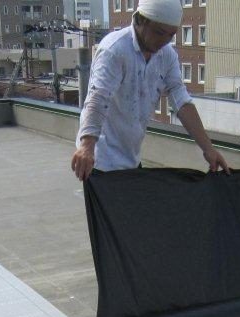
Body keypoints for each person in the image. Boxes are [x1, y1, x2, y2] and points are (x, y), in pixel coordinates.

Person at [71, 0, 230, 181]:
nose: (164, 41)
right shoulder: (115, 50)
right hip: (100, 161)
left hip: (132, 159)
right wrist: (87, 145)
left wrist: (208, 149)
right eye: (159, 32)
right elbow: (98, 97)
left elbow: (181, 101)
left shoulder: (166, 56)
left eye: (171, 35)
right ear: (140, 20)